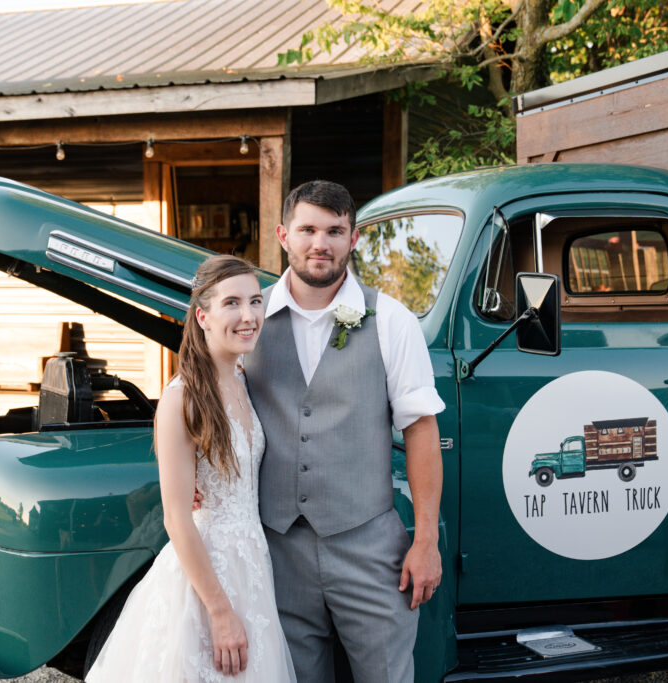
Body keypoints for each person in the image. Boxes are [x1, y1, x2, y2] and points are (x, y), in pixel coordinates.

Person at [243, 180, 445, 682]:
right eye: (308, 229)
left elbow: (421, 431)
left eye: (335, 231)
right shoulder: (247, 319)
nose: (321, 243)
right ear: (283, 235)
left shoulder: (392, 320)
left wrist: (425, 542)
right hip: (277, 546)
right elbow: (203, 402)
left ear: (353, 239)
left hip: (370, 546)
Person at [86, 255, 296, 682]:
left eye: (256, 302)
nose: (248, 315)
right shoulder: (182, 398)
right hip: (206, 574)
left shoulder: (242, 378)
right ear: (202, 315)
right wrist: (219, 612)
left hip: (251, 564)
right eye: (232, 303)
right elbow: (177, 519)